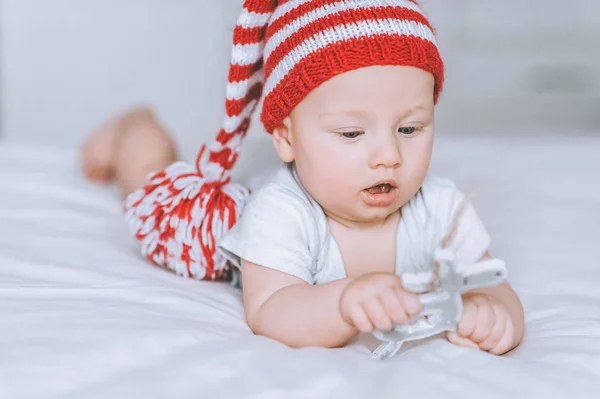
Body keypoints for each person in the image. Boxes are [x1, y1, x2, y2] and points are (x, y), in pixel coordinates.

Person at [81, 0, 524, 355]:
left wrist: (493, 312)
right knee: (150, 184)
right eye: (352, 133)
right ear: (286, 138)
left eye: (409, 129)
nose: (389, 155)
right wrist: (343, 302)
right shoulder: (281, 212)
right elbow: (271, 311)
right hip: (223, 223)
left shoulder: (441, 208)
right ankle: (135, 128)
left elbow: (493, 283)